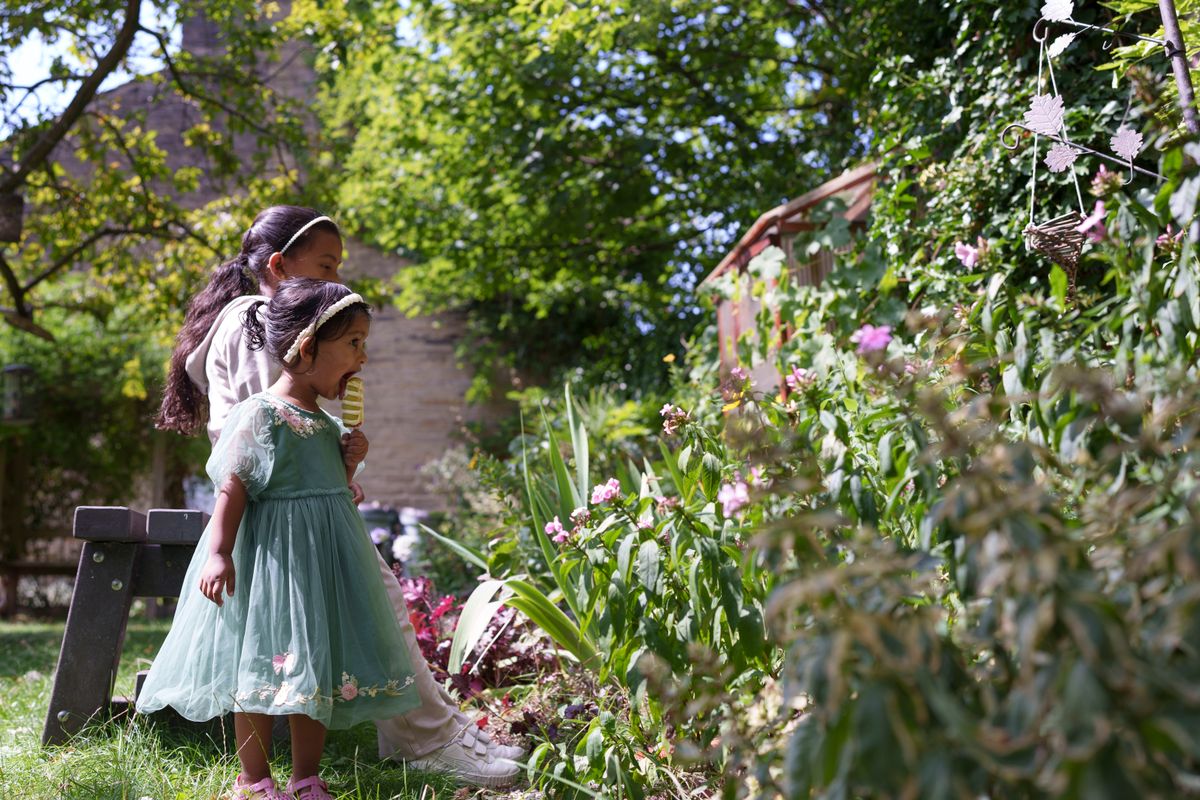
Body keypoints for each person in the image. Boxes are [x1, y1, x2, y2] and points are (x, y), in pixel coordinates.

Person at [154, 206, 521, 788]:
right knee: (358, 623)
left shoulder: (289, 368)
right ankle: (423, 740)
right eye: (324, 266)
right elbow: (254, 448)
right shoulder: (256, 322)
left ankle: (411, 740)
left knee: (344, 640)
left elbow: (303, 436)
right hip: (279, 532)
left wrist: (341, 460)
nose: (333, 281)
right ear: (279, 267)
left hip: (313, 516)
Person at [139, 280, 419, 799]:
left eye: (364, 343)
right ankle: (253, 780)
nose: (363, 356)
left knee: (314, 672)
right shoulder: (261, 415)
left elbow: (334, 492)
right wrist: (220, 553)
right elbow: (233, 486)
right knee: (262, 671)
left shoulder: (328, 424)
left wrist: (348, 461)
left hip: (323, 565)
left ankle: (305, 778)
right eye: (353, 343)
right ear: (306, 346)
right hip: (274, 565)